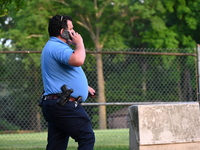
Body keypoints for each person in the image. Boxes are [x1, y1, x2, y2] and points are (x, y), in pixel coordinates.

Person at [40, 14, 95, 150]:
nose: (74, 33)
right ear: (62, 32)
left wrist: (83, 87)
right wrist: (80, 43)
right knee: (86, 137)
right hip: (63, 105)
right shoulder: (57, 47)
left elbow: (60, 74)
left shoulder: (52, 46)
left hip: (55, 104)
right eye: (71, 29)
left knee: (56, 146)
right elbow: (78, 60)